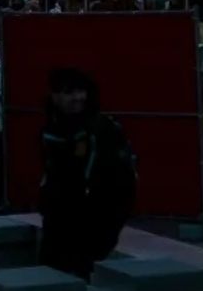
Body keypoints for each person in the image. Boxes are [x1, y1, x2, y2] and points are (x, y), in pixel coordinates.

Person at [37, 67, 137, 279]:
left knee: (81, 272)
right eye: (68, 92)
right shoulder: (50, 128)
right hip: (59, 217)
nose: (77, 98)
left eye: (80, 91)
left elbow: (123, 181)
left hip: (94, 217)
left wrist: (106, 222)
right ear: (54, 96)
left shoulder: (101, 129)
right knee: (50, 272)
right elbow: (50, 171)